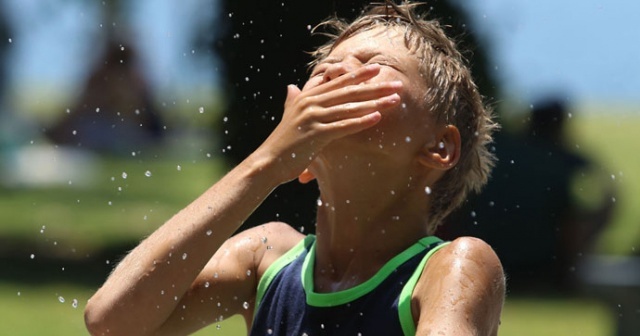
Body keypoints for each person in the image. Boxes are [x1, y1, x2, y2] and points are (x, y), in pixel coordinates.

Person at [84, 2, 505, 335]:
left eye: (375, 67)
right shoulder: (266, 259)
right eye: (324, 70)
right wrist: (265, 164)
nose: (335, 71)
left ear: (439, 146)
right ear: (303, 165)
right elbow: (113, 322)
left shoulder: (451, 269)